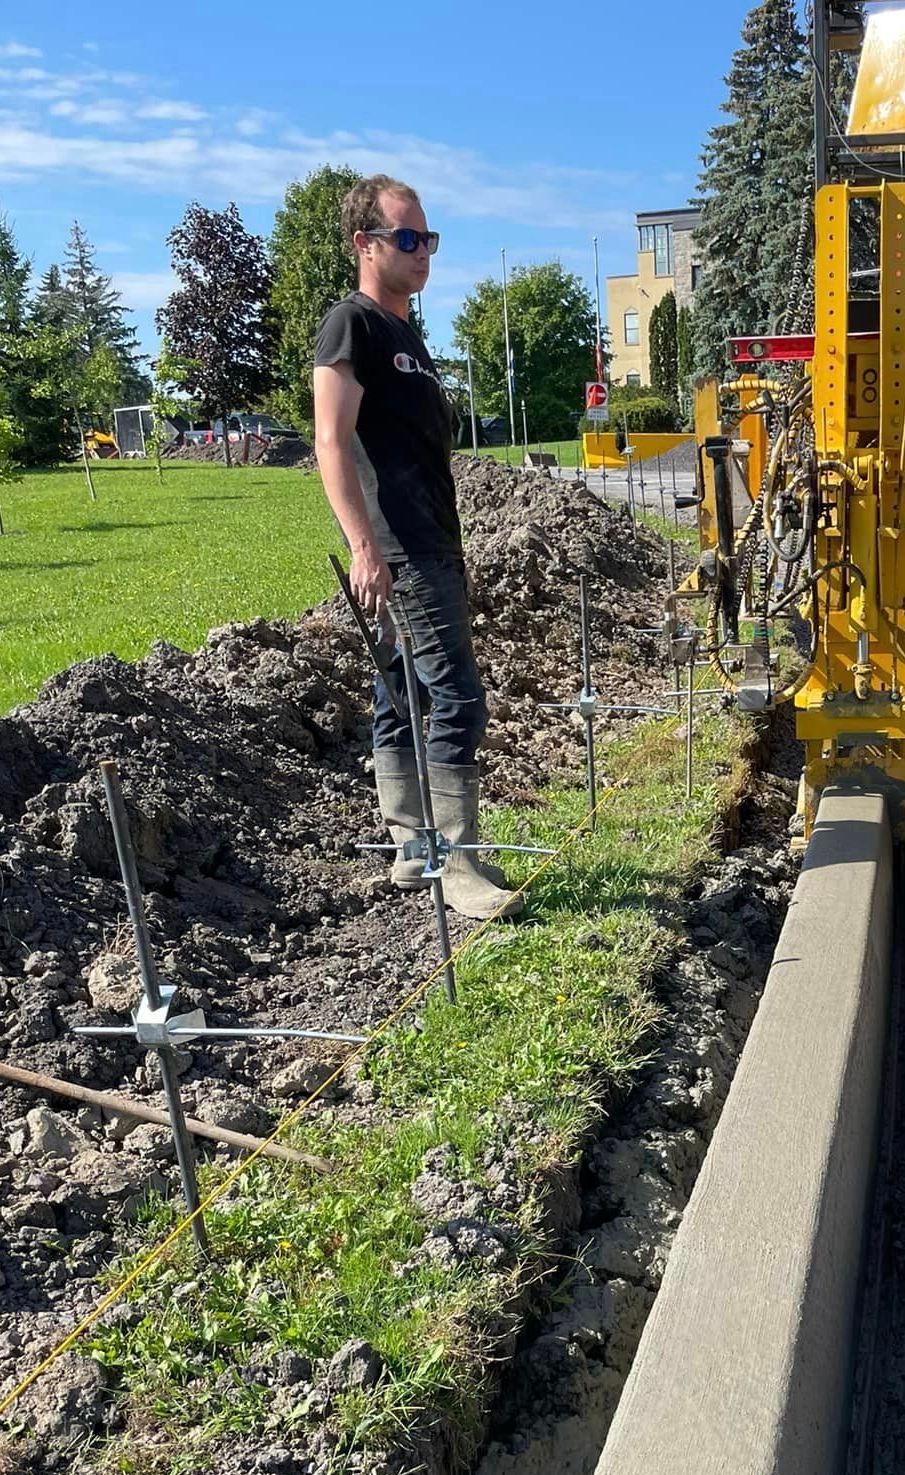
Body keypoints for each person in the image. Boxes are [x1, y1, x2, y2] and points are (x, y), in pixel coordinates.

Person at [312, 173, 516, 920]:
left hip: (432, 538)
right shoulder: (353, 326)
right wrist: (365, 548)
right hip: (401, 547)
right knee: (458, 698)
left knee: (401, 695)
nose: (423, 250)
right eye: (407, 238)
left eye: (428, 238)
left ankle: (410, 849)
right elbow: (330, 442)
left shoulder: (408, 334)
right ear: (366, 244)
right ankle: (454, 862)